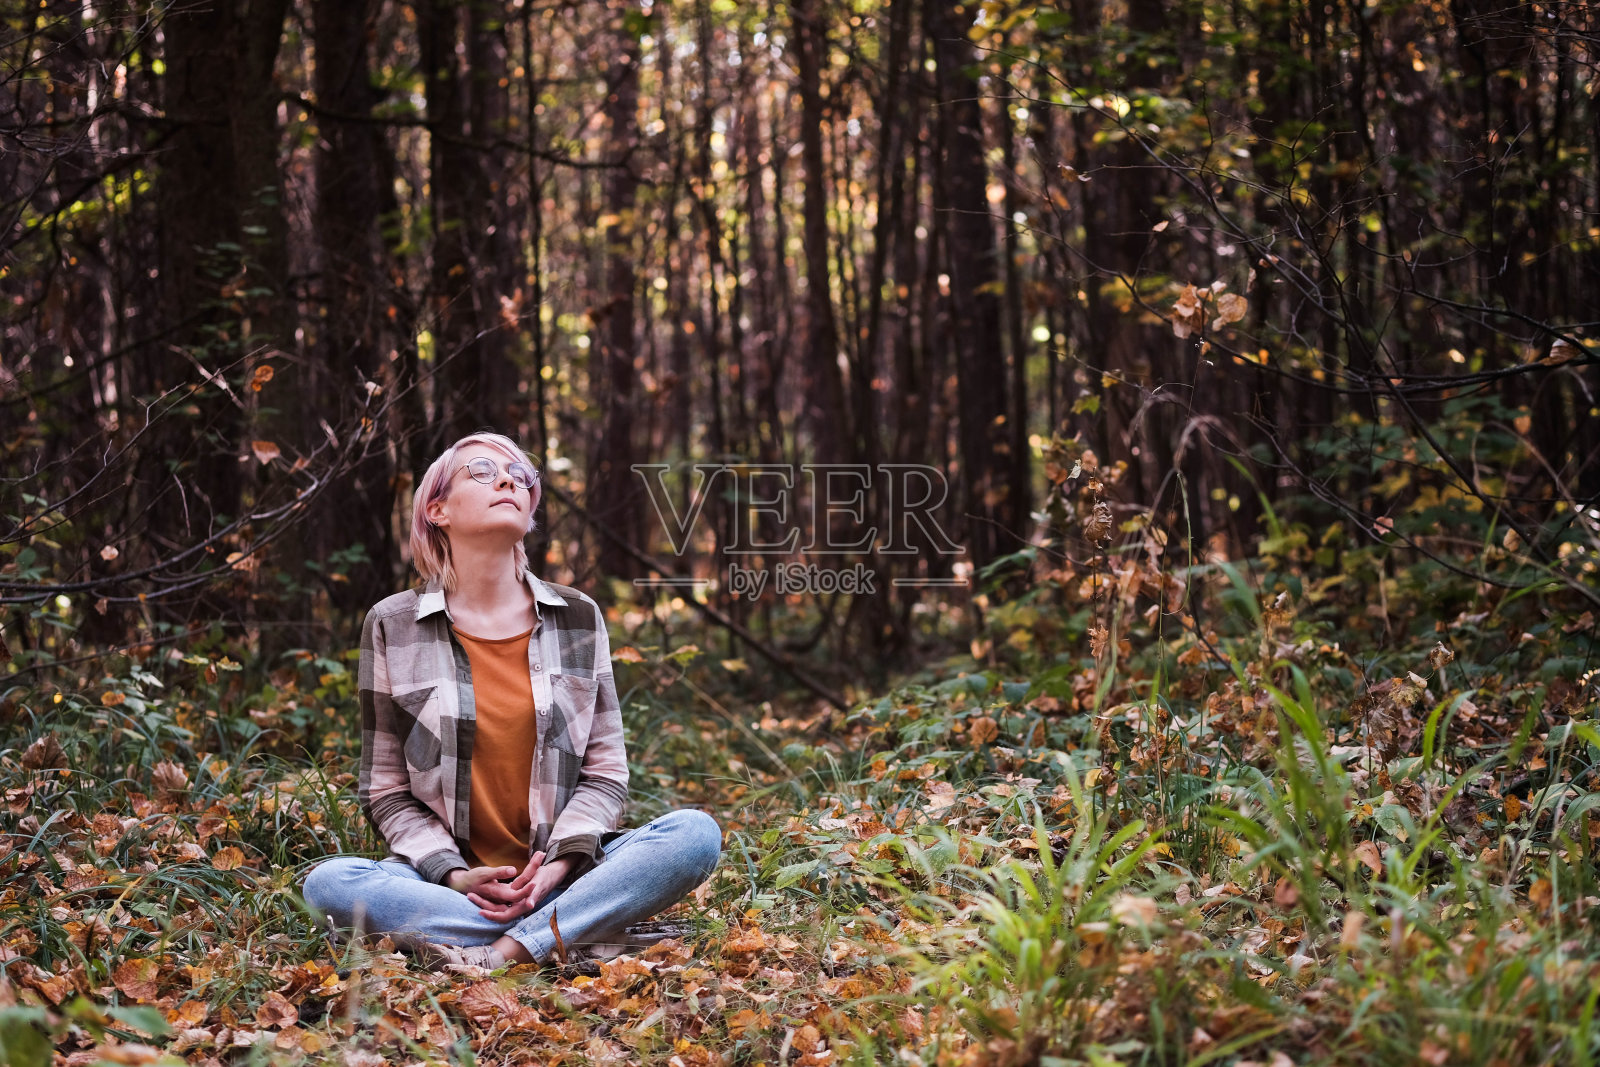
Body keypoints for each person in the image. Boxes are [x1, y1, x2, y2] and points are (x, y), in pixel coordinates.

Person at [301, 432, 722, 971]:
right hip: (449, 890)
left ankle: (501, 951)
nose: (507, 481)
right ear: (437, 509)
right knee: (327, 883)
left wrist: (557, 868)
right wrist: (452, 873)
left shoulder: (578, 616)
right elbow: (385, 790)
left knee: (694, 835)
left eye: (521, 477)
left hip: (568, 875)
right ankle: (565, 933)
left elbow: (606, 772)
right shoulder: (392, 624)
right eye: (480, 472)